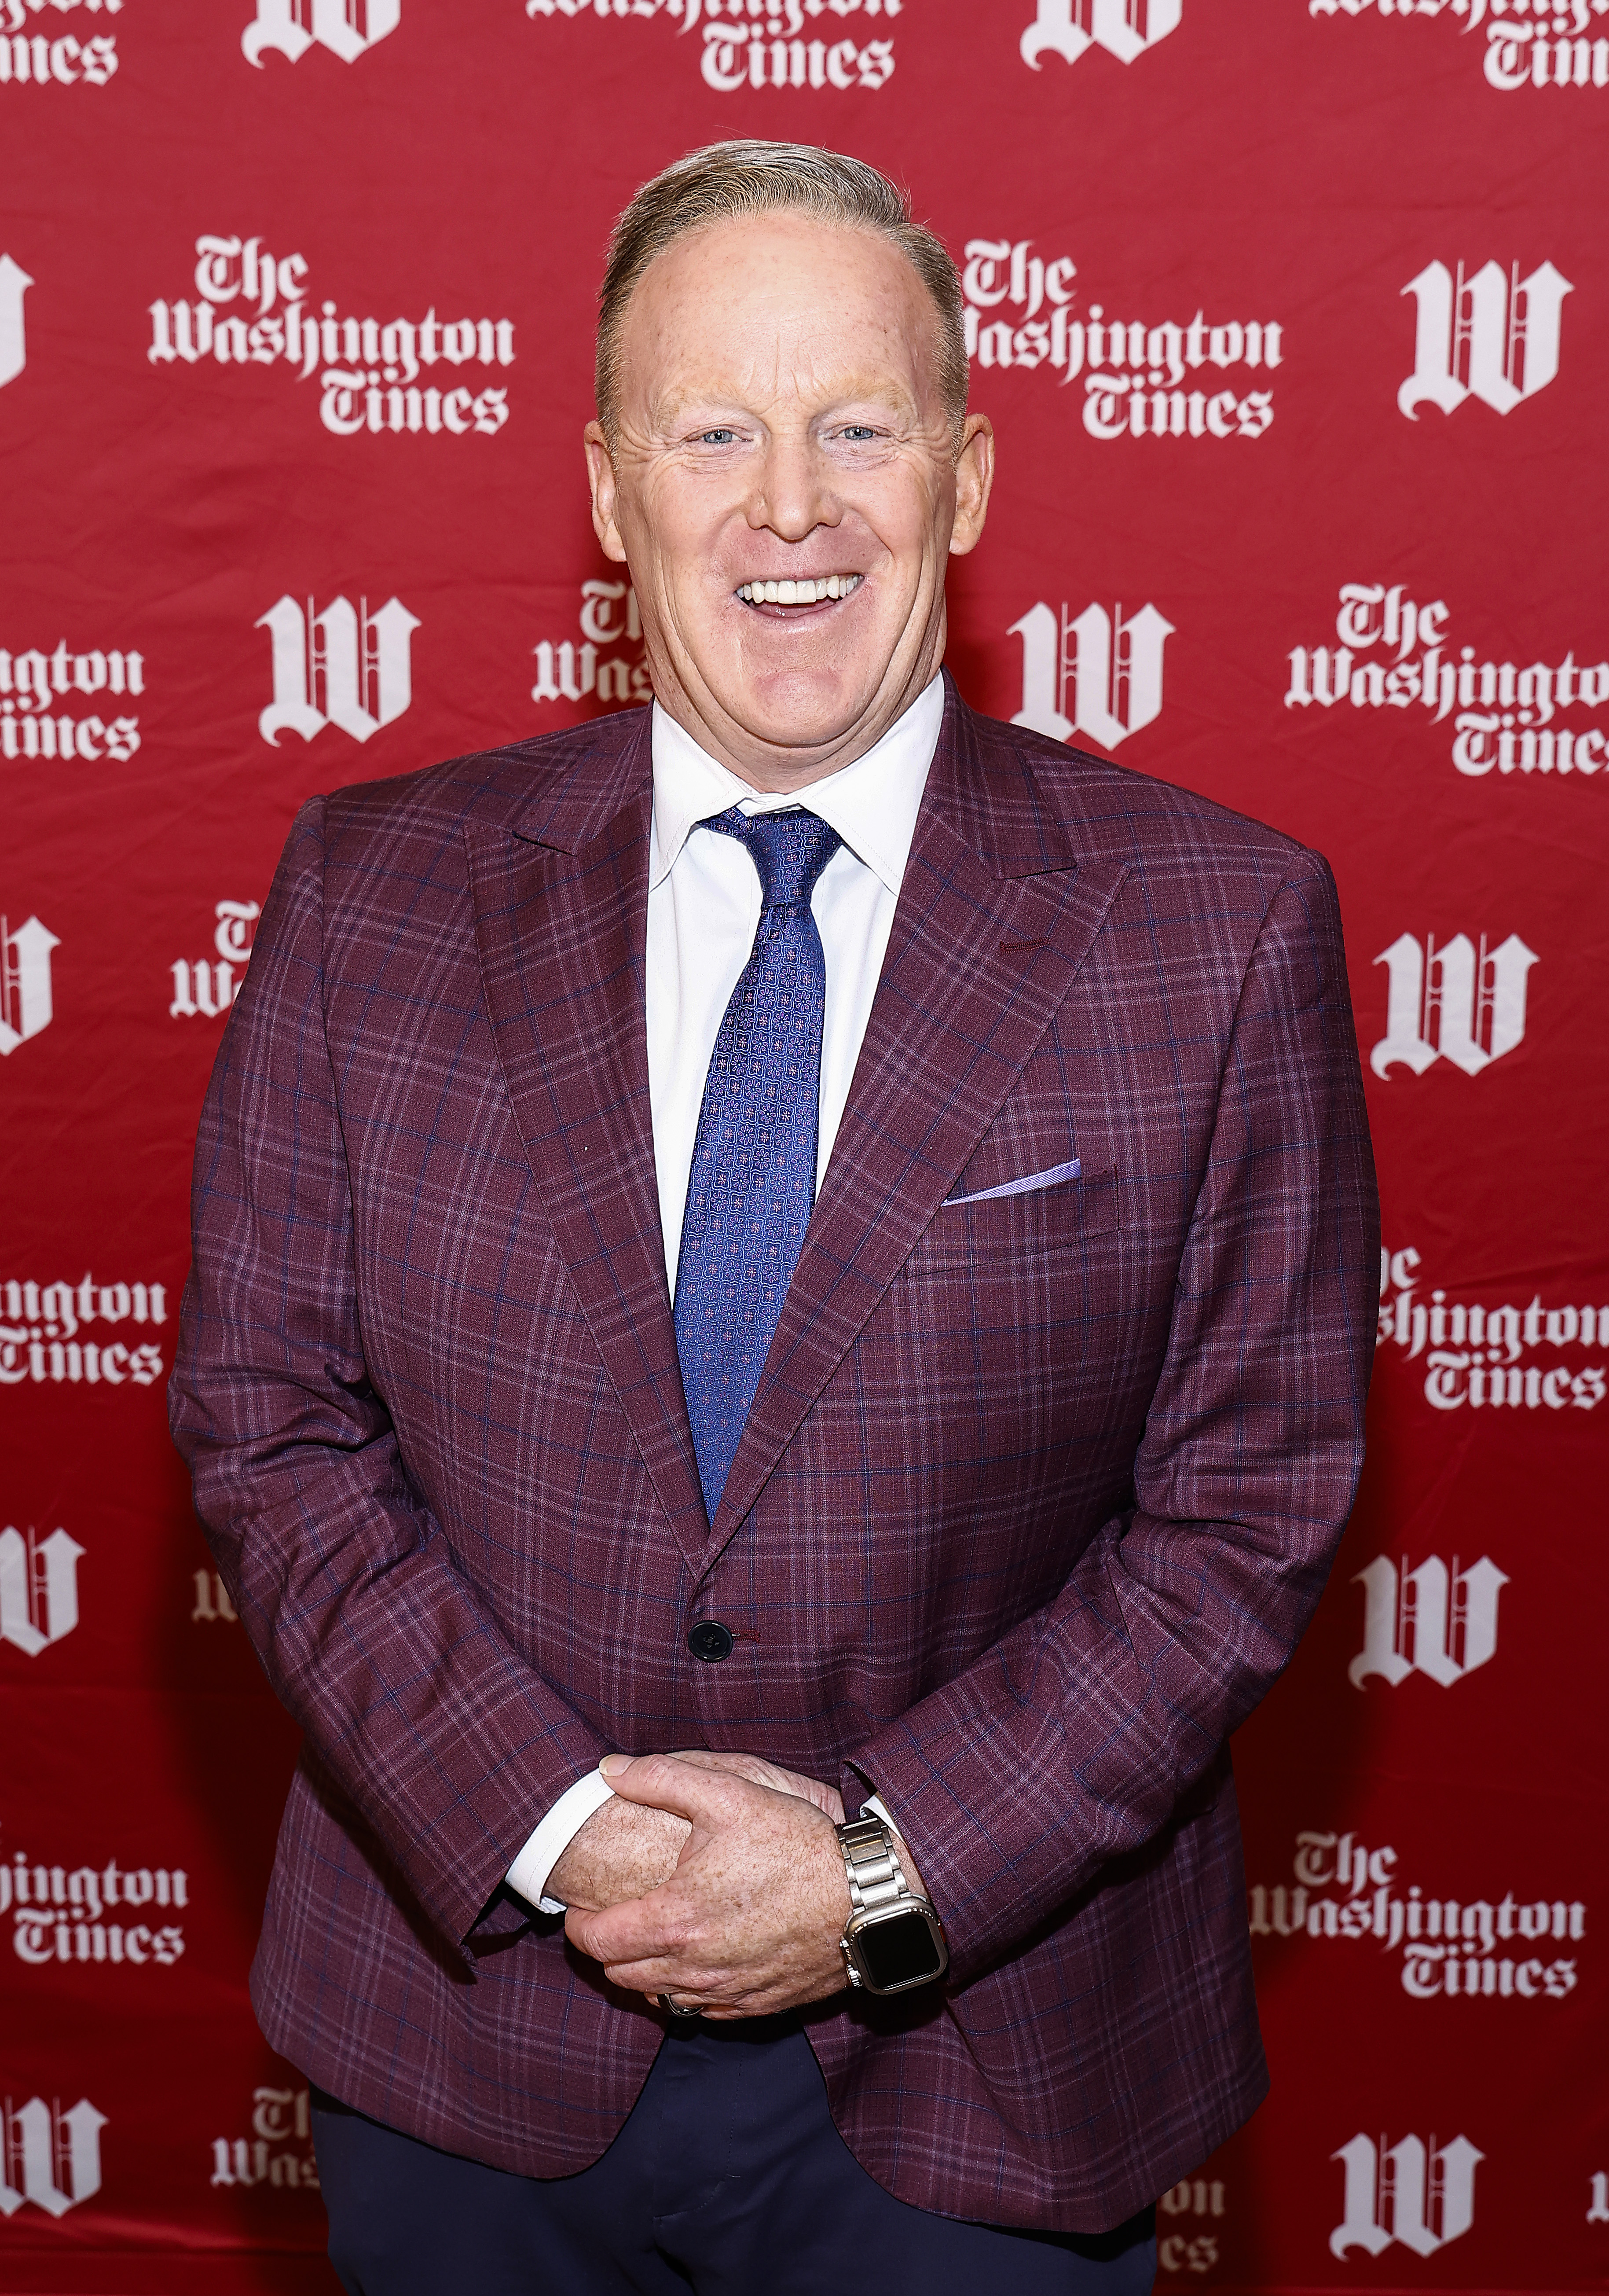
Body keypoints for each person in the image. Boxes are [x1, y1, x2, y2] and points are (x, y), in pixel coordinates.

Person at [170, 140, 1378, 2295]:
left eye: (860, 429)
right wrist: (560, 1829)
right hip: (466, 2048)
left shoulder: (1217, 927)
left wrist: (878, 1878)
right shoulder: (372, 895)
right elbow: (273, 1428)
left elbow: (1243, 1513)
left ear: (969, 480)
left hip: (991, 2069)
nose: (791, 506)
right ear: (610, 492)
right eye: (712, 433)